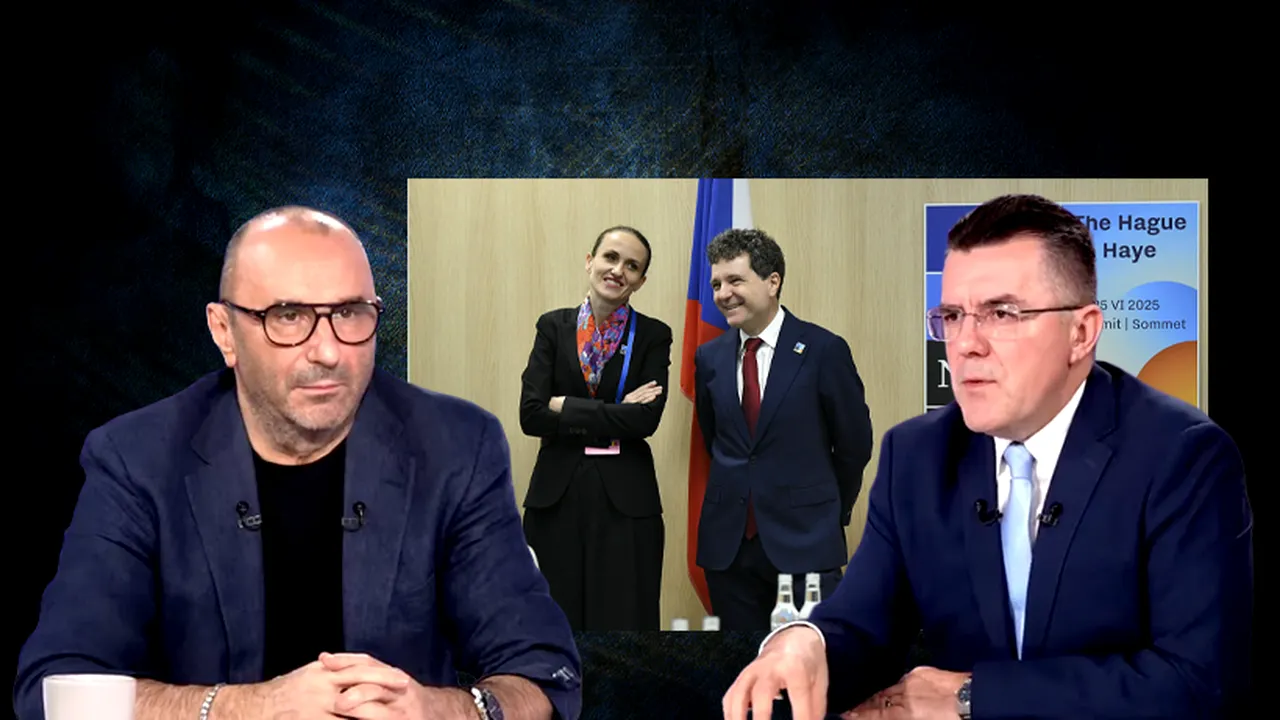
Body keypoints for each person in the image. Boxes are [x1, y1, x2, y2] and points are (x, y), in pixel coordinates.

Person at [15, 207, 582, 720]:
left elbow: (545, 675)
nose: (329, 351)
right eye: (288, 316)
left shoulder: (457, 446)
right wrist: (246, 709)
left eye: (350, 313)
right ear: (224, 332)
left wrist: (441, 712)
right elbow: (55, 689)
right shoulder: (135, 459)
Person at [721, 194, 1253, 720]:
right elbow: (863, 625)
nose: (965, 344)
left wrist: (972, 698)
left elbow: (1198, 683)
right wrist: (802, 646)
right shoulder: (915, 455)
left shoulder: (1183, 458)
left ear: (1081, 332)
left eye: (1002, 313)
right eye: (952, 316)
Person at [693, 228, 873, 632]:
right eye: (717, 284)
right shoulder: (709, 358)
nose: (723, 294)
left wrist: (827, 510)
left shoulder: (823, 349)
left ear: (772, 281)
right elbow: (715, 437)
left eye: (735, 280)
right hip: (729, 550)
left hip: (806, 542)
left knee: (812, 659)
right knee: (738, 662)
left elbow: (854, 444)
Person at [519, 225, 672, 631]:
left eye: (632, 266)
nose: (618, 270)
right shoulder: (552, 327)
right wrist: (615, 412)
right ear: (590, 262)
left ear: (640, 281)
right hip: (556, 497)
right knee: (550, 624)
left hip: (626, 503)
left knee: (623, 625)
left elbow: (646, 420)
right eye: (611, 257)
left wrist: (566, 406)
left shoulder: (654, 335)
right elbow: (531, 414)